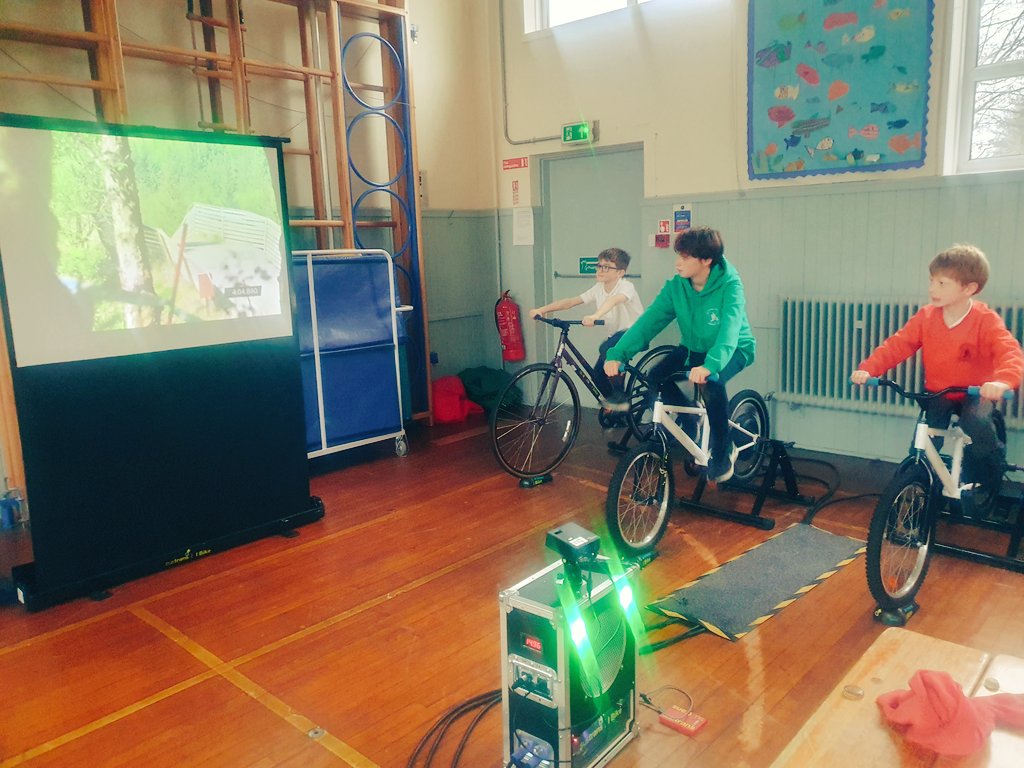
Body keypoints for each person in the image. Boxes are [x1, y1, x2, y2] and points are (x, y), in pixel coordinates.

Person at [851, 244, 1023, 506]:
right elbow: (897, 345)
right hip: (939, 391)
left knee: (976, 422)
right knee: (924, 442)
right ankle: (915, 488)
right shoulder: (926, 317)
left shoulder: (984, 320)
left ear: (969, 288)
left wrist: (1002, 381)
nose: (932, 289)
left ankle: (992, 463)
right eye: (932, 281)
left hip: (975, 392)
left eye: (942, 283)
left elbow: (1009, 352)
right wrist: (868, 369)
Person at [603, 227, 756, 483]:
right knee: (655, 377)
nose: (677, 263)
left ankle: (722, 449)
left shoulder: (730, 285)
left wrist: (711, 365)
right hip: (693, 347)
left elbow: (729, 331)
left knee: (711, 382)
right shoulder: (677, 288)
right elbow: (648, 322)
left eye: (685, 257)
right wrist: (618, 353)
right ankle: (689, 418)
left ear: (706, 260)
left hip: (733, 349)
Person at [528, 247, 644, 401]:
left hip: (635, 333)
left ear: (620, 273)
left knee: (605, 349)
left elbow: (614, 300)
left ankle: (620, 398)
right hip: (616, 336)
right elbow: (571, 301)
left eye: (606, 267)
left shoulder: (626, 286)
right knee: (597, 375)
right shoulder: (598, 288)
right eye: (599, 266)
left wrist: (595, 316)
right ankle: (616, 406)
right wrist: (541, 310)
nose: (600, 270)